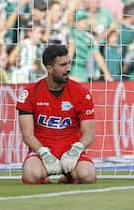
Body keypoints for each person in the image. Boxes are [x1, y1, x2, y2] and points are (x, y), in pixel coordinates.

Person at [16, 45, 96, 184]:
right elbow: (27, 135)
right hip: (42, 151)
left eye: (69, 63)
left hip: (70, 152)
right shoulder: (29, 93)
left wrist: (76, 150)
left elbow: (89, 134)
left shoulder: (82, 93)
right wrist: (44, 153)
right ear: (49, 69)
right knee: (32, 175)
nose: (68, 69)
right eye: (63, 65)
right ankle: (49, 174)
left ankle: (67, 176)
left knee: (87, 175)